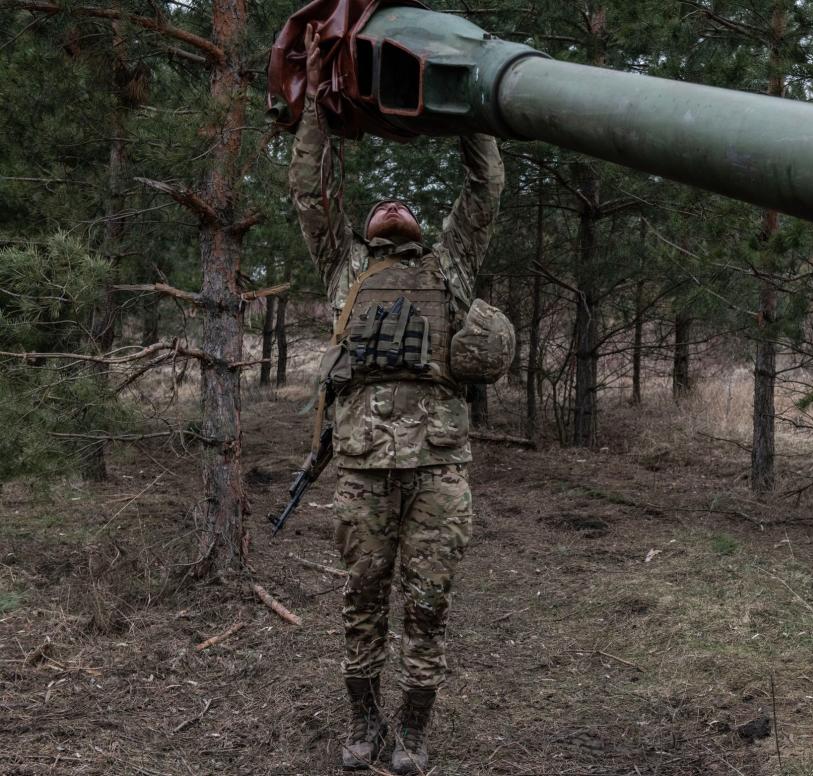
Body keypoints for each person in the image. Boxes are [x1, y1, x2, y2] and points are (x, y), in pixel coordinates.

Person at [288, 29, 505, 774]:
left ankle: (412, 733)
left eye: (400, 200)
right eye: (377, 200)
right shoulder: (344, 268)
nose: (390, 202)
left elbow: (484, 193)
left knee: (428, 604)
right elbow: (310, 191)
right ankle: (362, 723)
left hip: (439, 471)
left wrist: (466, 107)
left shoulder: (449, 270)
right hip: (360, 468)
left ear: (413, 229)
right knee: (360, 599)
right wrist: (319, 100)